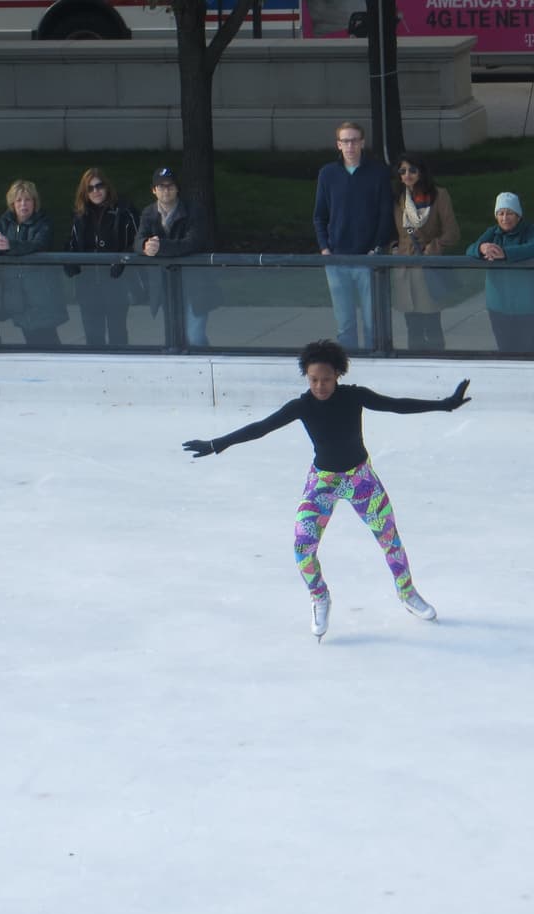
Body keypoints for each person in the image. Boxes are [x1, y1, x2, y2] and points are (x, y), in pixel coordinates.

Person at [180, 339, 470, 639]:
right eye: (314, 379)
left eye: (326, 379)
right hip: (323, 483)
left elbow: (396, 405)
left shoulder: (354, 397)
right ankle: (320, 596)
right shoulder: (302, 406)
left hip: (361, 481)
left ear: (338, 376)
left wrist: (444, 405)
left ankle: (407, 592)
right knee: (303, 547)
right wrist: (217, 444)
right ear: (307, 377)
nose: (320, 386)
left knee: (389, 539)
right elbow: (260, 427)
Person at [312, 121, 394, 349]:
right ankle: (346, 367)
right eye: (345, 141)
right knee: (345, 324)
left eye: (354, 140)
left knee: (372, 323)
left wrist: (375, 248)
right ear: (338, 145)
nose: (350, 145)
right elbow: (319, 215)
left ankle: (373, 364)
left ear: (362, 142)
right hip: (336, 260)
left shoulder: (377, 173)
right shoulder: (328, 174)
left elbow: (385, 214)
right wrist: (325, 249)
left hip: (368, 259)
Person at [135, 166, 214, 348]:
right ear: (154, 190)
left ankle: (204, 364)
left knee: (194, 337)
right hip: (165, 287)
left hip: (194, 286)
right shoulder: (148, 213)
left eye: (170, 185)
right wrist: (145, 246)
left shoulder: (194, 210)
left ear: (177, 188)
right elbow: (138, 240)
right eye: (161, 186)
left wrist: (160, 247)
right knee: (172, 339)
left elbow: (192, 243)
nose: (166, 190)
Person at [390, 153, 460, 351]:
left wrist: (433, 247)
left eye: (412, 170)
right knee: (412, 327)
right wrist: (394, 248)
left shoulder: (438, 195)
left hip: (427, 268)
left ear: (421, 172)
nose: (407, 175)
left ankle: (437, 365)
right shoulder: (399, 198)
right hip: (404, 270)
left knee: (432, 325)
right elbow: (393, 232)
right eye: (402, 171)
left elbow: (452, 232)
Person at [0, 179, 67, 346]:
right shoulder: (6, 220)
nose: (23, 204)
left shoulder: (43, 221)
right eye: (19, 200)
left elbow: (39, 244)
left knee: (48, 340)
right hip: (17, 293)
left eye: (28, 199)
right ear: (12, 203)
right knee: (31, 339)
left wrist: (9, 245)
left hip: (41, 292)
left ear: (34, 202)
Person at [466, 192, 534, 352]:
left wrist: (505, 253)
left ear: (518, 215)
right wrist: (481, 248)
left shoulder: (531, 231)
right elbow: (470, 248)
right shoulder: (493, 232)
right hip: (499, 305)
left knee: (530, 349)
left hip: (530, 306)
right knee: (505, 350)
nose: (505, 218)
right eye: (501, 213)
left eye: (510, 213)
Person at [66, 166, 140, 347]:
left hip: (116, 282)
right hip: (88, 284)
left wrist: (122, 260)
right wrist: (70, 262)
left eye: (99, 186)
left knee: (118, 332)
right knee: (92, 334)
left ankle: (121, 369)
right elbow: (72, 243)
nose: (96, 191)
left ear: (106, 186)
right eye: (90, 188)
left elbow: (138, 242)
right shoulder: (80, 214)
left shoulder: (124, 210)